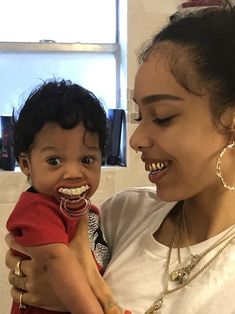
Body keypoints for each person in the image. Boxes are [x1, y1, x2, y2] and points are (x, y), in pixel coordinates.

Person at [5, 6, 235, 314]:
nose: (136, 140)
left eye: (163, 117)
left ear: (231, 121)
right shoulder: (120, 214)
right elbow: (45, 260)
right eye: (140, 116)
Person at [5, 79, 128, 314]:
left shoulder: (88, 213)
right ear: (26, 164)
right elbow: (55, 261)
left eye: (87, 160)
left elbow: (89, 270)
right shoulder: (36, 210)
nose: (73, 173)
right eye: (54, 161)